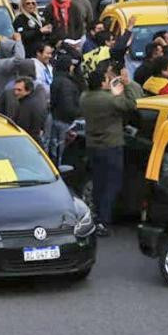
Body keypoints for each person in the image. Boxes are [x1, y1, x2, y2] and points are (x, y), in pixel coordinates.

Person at [79, 58, 138, 234]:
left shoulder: (84, 97)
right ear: (102, 83)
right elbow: (131, 104)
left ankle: (96, 216)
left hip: (93, 145)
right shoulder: (108, 100)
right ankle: (104, 220)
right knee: (112, 184)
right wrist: (127, 84)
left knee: (98, 182)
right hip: (111, 146)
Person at [0, 76, 48, 145]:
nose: (15, 92)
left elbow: (22, 127)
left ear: (28, 91)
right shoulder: (32, 101)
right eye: (15, 89)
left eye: (19, 90)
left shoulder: (27, 106)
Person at [49, 52, 82, 160]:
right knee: (62, 152)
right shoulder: (66, 83)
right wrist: (79, 113)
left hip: (56, 118)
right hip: (65, 122)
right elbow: (68, 107)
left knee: (55, 149)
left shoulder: (56, 79)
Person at [0, 34, 34, 104]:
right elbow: (20, 58)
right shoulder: (2, 64)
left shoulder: (10, 66)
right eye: (15, 49)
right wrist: (18, 40)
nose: (17, 51)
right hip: (4, 108)